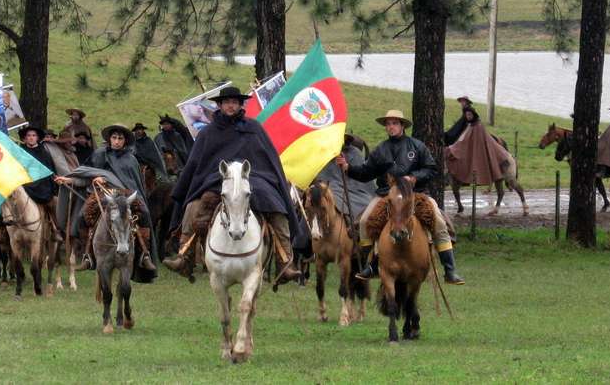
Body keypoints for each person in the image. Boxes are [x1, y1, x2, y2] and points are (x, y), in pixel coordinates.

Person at [162, 85, 307, 282]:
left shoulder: (254, 128)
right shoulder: (208, 133)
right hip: (217, 180)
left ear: (240, 105)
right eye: (227, 102)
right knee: (193, 207)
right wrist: (188, 186)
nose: (231, 106)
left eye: (235, 102)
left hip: (254, 179)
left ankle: (285, 260)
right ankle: (184, 255)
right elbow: (197, 164)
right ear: (220, 105)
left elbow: (268, 160)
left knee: (276, 207)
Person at [335, 109, 465, 285]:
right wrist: (348, 168)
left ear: (402, 125)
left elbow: (431, 169)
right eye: (388, 124)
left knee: (439, 221)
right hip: (386, 194)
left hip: (416, 194)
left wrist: (414, 177)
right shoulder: (381, 149)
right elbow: (366, 173)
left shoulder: (417, 146)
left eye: (395, 123)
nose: (391, 127)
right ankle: (370, 266)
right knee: (365, 221)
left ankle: (450, 270)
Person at [60, 123, 157, 279]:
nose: (117, 141)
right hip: (102, 194)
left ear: (125, 140)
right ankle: (88, 255)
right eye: (114, 138)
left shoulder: (130, 159)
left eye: (120, 138)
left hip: (126, 194)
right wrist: (70, 179)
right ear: (109, 139)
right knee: (81, 217)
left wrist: (106, 179)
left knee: (144, 212)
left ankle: (144, 254)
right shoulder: (99, 154)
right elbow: (84, 175)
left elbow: (134, 182)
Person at [445, 107, 512, 186]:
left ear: (473, 115)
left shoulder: (478, 126)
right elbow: (463, 139)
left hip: (480, 150)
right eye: (466, 115)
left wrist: (454, 147)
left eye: (470, 114)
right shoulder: (470, 125)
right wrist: (454, 147)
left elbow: (474, 140)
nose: (468, 116)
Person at [18, 126, 60, 240]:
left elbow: (50, 169)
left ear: (37, 138)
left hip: (43, 186)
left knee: (55, 204)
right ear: (25, 139)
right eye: (28, 136)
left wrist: (54, 182)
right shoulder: (20, 152)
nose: (31, 138)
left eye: (33, 135)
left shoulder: (44, 152)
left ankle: (56, 228)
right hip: (25, 185)